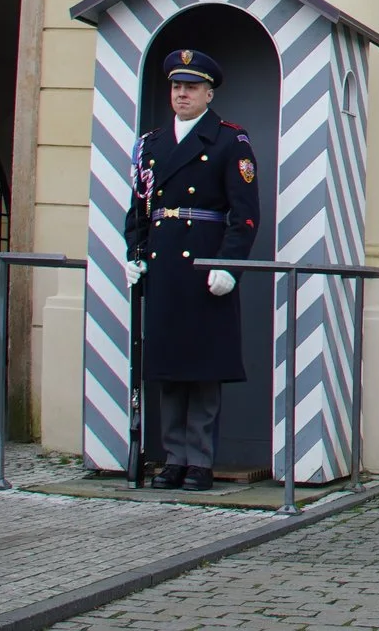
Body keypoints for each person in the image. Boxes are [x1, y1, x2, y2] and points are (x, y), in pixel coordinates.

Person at [122, 48, 259, 492]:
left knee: (202, 366)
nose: (182, 94)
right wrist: (135, 253)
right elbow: (140, 208)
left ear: (209, 93)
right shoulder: (151, 144)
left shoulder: (230, 140)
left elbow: (245, 214)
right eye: (177, 86)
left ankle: (199, 461)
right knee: (169, 365)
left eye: (192, 87)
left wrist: (228, 265)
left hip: (204, 263)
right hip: (164, 263)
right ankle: (173, 458)